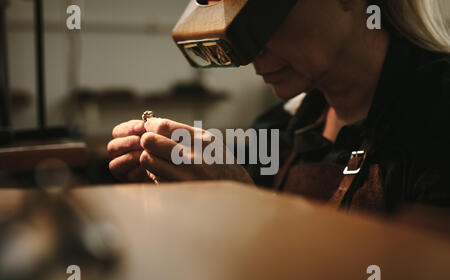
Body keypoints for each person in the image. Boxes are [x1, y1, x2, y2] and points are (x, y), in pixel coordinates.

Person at [107, 0, 450, 213]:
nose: (250, 54)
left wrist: (246, 212)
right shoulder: (279, 132)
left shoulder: (437, 111)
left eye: (260, 20)